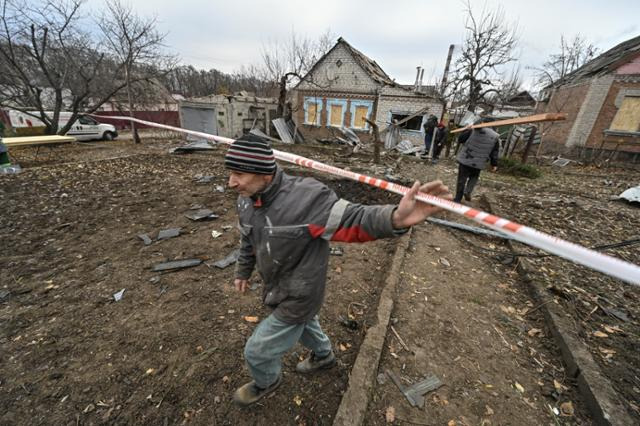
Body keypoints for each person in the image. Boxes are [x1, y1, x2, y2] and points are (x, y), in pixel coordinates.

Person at [225, 135, 452, 406]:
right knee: (307, 324)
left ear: (263, 173)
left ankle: (266, 380)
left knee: (257, 351)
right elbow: (248, 239)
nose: (231, 182)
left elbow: (354, 218)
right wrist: (243, 270)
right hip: (277, 286)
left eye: (238, 173)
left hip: (301, 293)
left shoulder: (307, 199)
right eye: (230, 173)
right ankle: (324, 356)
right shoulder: (246, 199)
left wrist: (394, 218)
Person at [454, 118, 499, 203]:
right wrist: (494, 164)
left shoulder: (473, 130)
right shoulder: (495, 136)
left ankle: (458, 198)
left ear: (483, 122)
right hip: (479, 162)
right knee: (474, 177)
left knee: (461, 180)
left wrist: (466, 130)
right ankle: (468, 191)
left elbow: (461, 139)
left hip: (466, 159)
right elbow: (494, 152)